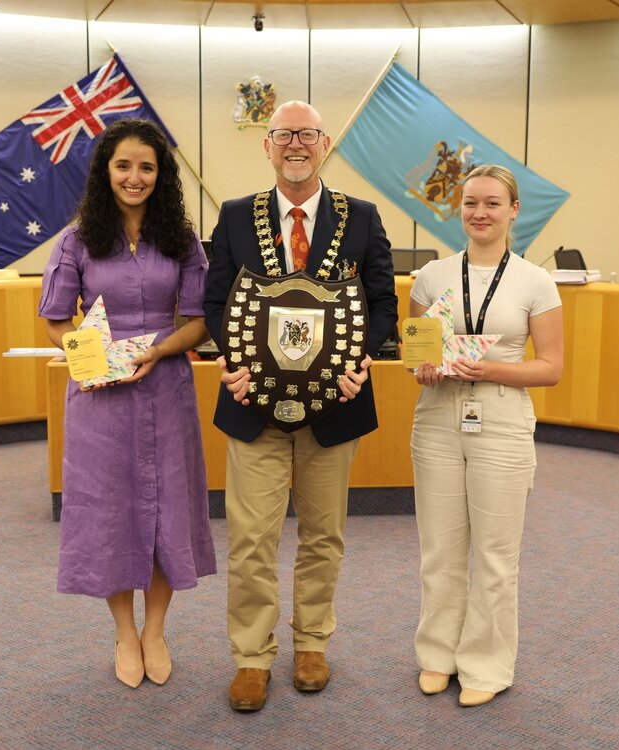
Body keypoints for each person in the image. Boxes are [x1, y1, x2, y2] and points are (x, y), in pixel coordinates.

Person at [204, 100, 398, 712]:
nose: (295, 144)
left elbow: (384, 304)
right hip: (251, 408)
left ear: (324, 144)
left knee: (323, 535)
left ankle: (312, 644)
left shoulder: (360, 218)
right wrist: (230, 364)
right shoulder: (236, 217)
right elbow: (214, 304)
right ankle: (252, 657)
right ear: (267, 146)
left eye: (306, 135)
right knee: (251, 537)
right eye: (284, 135)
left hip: (335, 407)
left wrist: (359, 359)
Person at [38, 119, 216, 689]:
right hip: (101, 399)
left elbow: (199, 321)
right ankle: (123, 631)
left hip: (166, 388)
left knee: (168, 507)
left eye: (146, 167)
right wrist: (93, 356)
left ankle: (156, 629)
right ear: (105, 172)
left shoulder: (182, 242)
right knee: (110, 511)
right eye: (123, 166)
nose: (134, 177)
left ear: (160, 176)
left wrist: (157, 351)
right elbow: (55, 316)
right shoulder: (76, 240)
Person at [409, 164, 563, 707]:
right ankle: (437, 654)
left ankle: (487, 664)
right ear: (459, 209)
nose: (480, 212)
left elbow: (551, 368)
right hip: (436, 419)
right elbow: (417, 353)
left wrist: (491, 370)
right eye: (471, 203)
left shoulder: (535, 281)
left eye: (493, 203)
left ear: (513, 210)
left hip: (500, 419)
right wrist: (424, 367)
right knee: (440, 549)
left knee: (496, 554)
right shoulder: (432, 276)